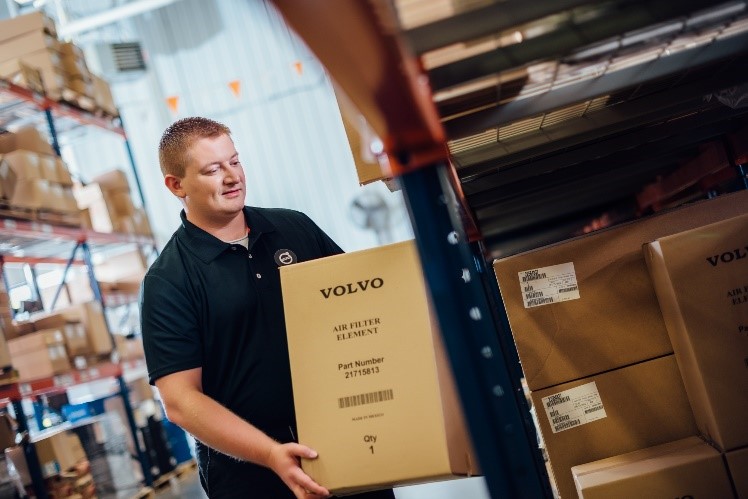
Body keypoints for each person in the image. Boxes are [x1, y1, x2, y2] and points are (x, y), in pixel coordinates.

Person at [140, 117, 396, 499]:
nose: (231, 177)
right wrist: (270, 453)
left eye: (234, 161)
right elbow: (180, 400)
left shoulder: (294, 229)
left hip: (346, 445)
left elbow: (359, 311)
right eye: (212, 170)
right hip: (251, 477)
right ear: (176, 185)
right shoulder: (169, 280)